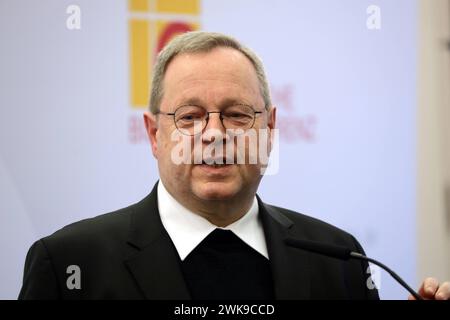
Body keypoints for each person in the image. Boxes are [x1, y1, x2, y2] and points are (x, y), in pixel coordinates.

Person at [19, 31, 449, 300]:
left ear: (270, 128)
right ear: (154, 135)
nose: (214, 134)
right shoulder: (69, 265)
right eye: (189, 117)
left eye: (237, 114)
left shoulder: (341, 261)